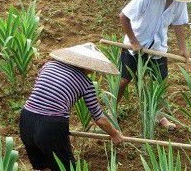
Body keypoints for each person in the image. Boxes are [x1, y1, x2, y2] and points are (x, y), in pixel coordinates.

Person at [117, 0, 191, 130]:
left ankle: (160, 117)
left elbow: (178, 24)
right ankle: (111, 111)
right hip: (135, 45)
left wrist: (183, 48)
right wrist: (134, 42)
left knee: (160, 84)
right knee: (124, 80)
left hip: (158, 48)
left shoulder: (180, 1)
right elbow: (124, 16)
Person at [19, 43, 124, 171]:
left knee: (43, 166)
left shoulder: (48, 65)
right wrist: (114, 134)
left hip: (26, 119)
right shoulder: (86, 83)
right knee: (66, 168)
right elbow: (98, 118)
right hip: (51, 125)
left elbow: (39, 91)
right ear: (90, 66)